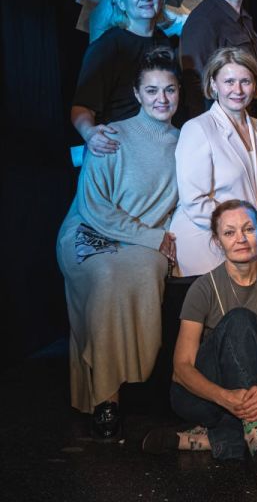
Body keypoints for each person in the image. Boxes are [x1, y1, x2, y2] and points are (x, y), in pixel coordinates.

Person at [142, 200, 257, 477]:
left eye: (248, 229)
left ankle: (203, 440)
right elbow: (182, 368)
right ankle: (255, 435)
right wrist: (225, 398)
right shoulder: (203, 287)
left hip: (253, 391)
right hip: (204, 397)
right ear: (217, 241)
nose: (240, 238)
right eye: (229, 232)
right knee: (240, 319)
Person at [57, 47, 181, 440]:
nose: (161, 99)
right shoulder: (110, 136)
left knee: (146, 269)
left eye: (170, 89)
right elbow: (94, 207)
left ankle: (137, 381)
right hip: (91, 231)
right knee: (107, 277)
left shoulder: (186, 142)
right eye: (152, 90)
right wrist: (154, 237)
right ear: (137, 93)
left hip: (142, 242)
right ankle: (105, 399)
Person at [170, 47, 257, 276]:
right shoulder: (197, 129)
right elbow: (195, 201)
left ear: (255, 85)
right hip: (208, 237)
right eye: (229, 81)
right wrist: (249, 227)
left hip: (251, 235)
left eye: (245, 81)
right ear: (213, 84)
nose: (238, 90)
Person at [71, 0, 172, 156]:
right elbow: (81, 107)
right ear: (121, 3)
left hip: (156, 146)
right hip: (119, 150)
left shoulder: (163, 41)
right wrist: (90, 134)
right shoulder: (107, 47)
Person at [180, 0, 257, 119]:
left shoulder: (244, 18)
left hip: (247, 122)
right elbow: (197, 93)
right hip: (222, 128)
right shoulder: (203, 22)